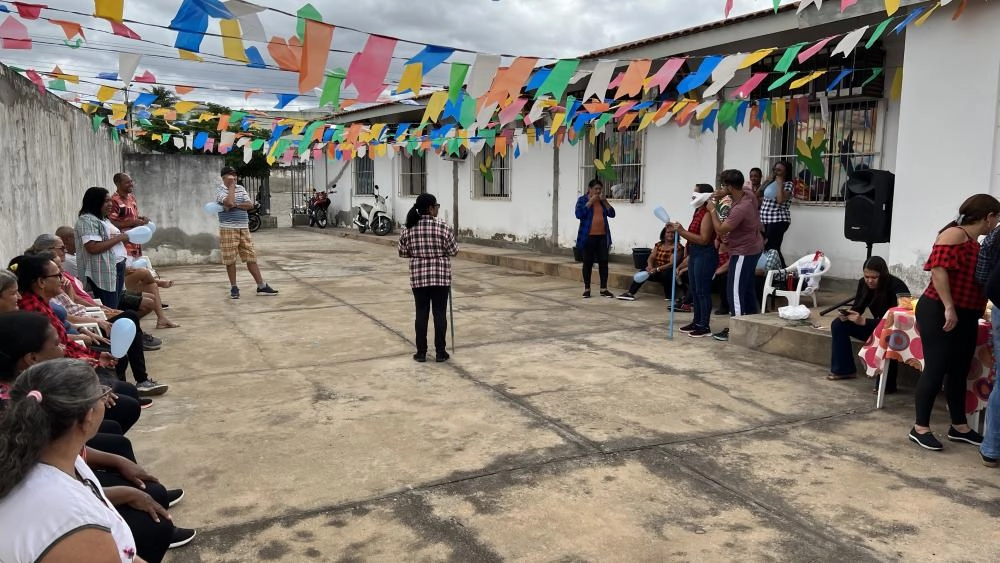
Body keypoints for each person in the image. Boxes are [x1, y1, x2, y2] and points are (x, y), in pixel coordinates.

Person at [0, 359, 143, 562]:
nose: (105, 399)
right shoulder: (73, 521)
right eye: (102, 394)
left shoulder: (29, 454)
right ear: (87, 416)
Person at [910, 194, 1000, 451]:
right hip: (940, 309)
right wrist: (949, 307)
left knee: (959, 369)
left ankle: (959, 426)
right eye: (996, 218)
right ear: (988, 216)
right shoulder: (955, 235)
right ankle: (920, 427)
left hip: (967, 313)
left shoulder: (975, 242)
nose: (995, 223)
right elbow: (938, 271)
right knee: (936, 367)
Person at [11, 254, 168, 397]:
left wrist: (94, 354)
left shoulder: (44, 301)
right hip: (67, 359)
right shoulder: (33, 308)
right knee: (124, 385)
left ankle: (132, 387)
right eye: (57, 275)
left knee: (126, 329)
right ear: (41, 282)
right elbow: (56, 347)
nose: (62, 277)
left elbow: (64, 335)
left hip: (80, 337)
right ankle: (124, 392)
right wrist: (85, 355)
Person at [827, 256, 910, 392]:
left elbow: (901, 320)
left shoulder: (897, 286)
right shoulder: (863, 283)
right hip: (878, 326)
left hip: (897, 331)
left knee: (886, 335)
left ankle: (887, 386)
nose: (869, 281)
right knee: (839, 324)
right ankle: (844, 370)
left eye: (874, 277)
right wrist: (849, 314)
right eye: (866, 276)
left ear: (882, 275)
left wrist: (864, 321)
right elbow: (858, 307)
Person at [397, 193, 459, 363]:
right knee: (439, 313)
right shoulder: (443, 227)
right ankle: (440, 352)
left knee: (421, 313)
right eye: (436, 206)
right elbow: (454, 251)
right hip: (440, 277)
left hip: (419, 277)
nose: (437, 209)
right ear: (430, 208)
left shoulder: (408, 229)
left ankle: (421, 352)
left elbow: (402, 252)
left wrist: (418, 253)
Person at [705, 169, 764, 341]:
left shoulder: (741, 208)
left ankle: (737, 329)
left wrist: (712, 210)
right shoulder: (748, 194)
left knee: (735, 290)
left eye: (723, 186)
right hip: (753, 247)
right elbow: (741, 190)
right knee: (746, 288)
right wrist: (724, 192)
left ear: (730, 186)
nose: (721, 189)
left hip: (743, 252)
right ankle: (752, 324)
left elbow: (721, 229)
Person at [215, 166, 278, 299]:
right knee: (230, 259)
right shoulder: (220, 190)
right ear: (224, 177)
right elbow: (228, 201)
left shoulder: (241, 188)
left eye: (235, 175)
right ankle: (234, 287)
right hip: (228, 228)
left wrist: (235, 206)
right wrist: (231, 189)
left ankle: (261, 285)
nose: (234, 177)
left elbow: (249, 205)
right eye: (231, 175)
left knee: (251, 256)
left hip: (244, 227)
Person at [672, 184, 718, 337]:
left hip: (705, 254)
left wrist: (682, 231)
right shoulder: (698, 211)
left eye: (696, 192)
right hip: (695, 253)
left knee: (702, 291)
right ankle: (697, 321)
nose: (692, 195)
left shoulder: (707, 213)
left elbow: (704, 239)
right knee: (695, 290)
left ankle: (704, 325)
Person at [75, 187, 130, 309]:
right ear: (95, 202)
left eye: (110, 200)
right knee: (109, 308)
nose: (110, 204)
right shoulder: (87, 220)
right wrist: (119, 238)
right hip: (101, 272)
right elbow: (92, 248)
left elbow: (109, 240)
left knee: (115, 305)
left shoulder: (103, 218)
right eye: (106, 201)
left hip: (115, 268)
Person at [617, 225, 682, 302]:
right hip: (655, 271)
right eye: (668, 232)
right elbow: (651, 257)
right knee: (643, 271)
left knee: (667, 273)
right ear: (664, 234)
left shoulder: (678, 247)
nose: (670, 235)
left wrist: (657, 269)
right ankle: (630, 293)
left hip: (667, 272)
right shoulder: (659, 245)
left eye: (673, 233)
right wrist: (650, 266)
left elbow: (672, 264)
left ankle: (669, 296)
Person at [575, 178, 616, 299]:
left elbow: (612, 214)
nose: (598, 191)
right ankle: (587, 288)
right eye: (595, 189)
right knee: (587, 262)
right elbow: (578, 214)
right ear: (590, 189)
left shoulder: (602, 201)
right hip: (588, 236)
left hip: (602, 237)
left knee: (603, 262)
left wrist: (606, 202)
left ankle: (604, 289)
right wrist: (590, 202)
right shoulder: (582, 200)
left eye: (600, 189)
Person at [757, 161, 794, 267]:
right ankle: (776, 272)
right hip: (765, 220)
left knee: (773, 247)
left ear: (786, 172)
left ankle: (783, 273)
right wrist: (766, 182)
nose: (776, 172)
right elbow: (757, 194)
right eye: (775, 170)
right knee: (767, 247)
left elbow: (780, 200)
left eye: (779, 170)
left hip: (778, 220)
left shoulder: (788, 184)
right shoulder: (770, 183)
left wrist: (779, 183)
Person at [109, 173, 149, 260]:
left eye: (131, 181)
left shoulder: (132, 198)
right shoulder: (114, 201)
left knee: (138, 270)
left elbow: (133, 218)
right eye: (127, 182)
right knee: (129, 273)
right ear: (118, 184)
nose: (131, 184)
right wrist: (133, 222)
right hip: (123, 248)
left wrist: (141, 220)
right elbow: (110, 224)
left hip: (136, 245)